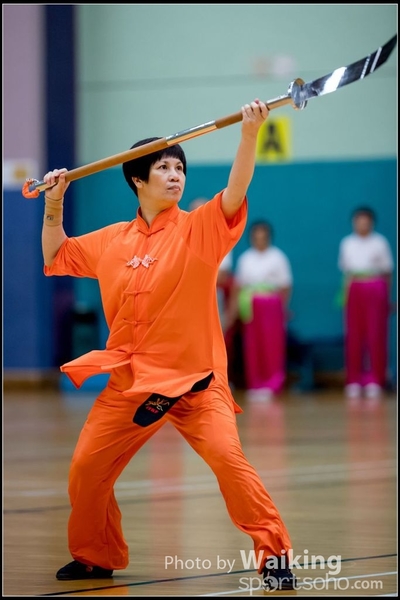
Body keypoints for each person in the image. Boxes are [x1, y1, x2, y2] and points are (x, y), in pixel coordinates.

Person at [41, 98, 296, 591]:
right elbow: (57, 253)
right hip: (132, 383)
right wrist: (54, 204)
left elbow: (236, 190)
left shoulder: (199, 229)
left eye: (179, 167)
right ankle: (96, 555)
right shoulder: (112, 240)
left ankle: (274, 556)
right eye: (162, 167)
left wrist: (249, 134)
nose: (175, 174)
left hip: (197, 382)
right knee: (86, 469)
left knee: (229, 461)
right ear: (137, 179)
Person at [228, 220, 292, 401]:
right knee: (253, 345)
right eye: (256, 237)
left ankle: (273, 383)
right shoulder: (246, 258)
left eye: (263, 237)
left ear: (269, 237)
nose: (259, 240)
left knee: (272, 344)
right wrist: (234, 310)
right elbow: (238, 286)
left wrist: (282, 308)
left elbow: (285, 286)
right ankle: (256, 383)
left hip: (271, 304)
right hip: (251, 305)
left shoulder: (278, 257)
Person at [338, 206, 394, 399]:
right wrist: (345, 297)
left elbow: (388, 273)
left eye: (366, 221)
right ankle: (354, 380)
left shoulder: (380, 242)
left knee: (375, 333)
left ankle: (375, 379)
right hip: (355, 287)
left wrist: (386, 298)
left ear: (371, 222)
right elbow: (346, 274)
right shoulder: (347, 243)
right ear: (354, 222)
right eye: (359, 221)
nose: (362, 224)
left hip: (375, 287)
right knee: (354, 335)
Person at [189, 197, 234, 333]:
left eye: (202, 212)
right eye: (194, 212)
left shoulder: (221, 238)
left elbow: (222, 275)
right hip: (185, 298)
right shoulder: (181, 237)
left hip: (210, 297)